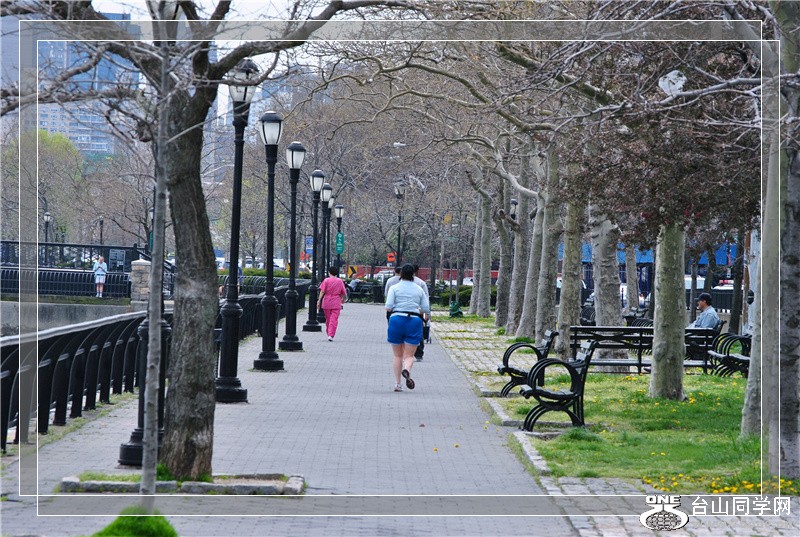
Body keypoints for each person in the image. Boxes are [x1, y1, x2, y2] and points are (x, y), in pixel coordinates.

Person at [385, 263, 430, 392]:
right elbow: (426, 308)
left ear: (401, 274)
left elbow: (388, 306)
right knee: (409, 355)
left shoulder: (394, 288)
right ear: (413, 274)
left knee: (397, 355)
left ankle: (398, 384)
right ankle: (407, 369)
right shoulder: (419, 289)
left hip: (396, 320)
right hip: (414, 321)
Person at [317, 266, 347, 341]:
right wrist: (343, 299)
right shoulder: (340, 281)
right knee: (334, 319)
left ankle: (329, 332)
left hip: (327, 301)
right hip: (336, 301)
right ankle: (331, 334)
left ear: (329, 272)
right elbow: (343, 292)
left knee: (328, 319)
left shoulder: (326, 280)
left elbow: (322, 291)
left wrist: (319, 300)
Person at [412, 265, 430, 360]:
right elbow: (426, 299)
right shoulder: (421, 283)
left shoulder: (400, 283)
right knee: (418, 332)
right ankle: (418, 352)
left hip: (406, 312)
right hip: (418, 311)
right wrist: (427, 312)